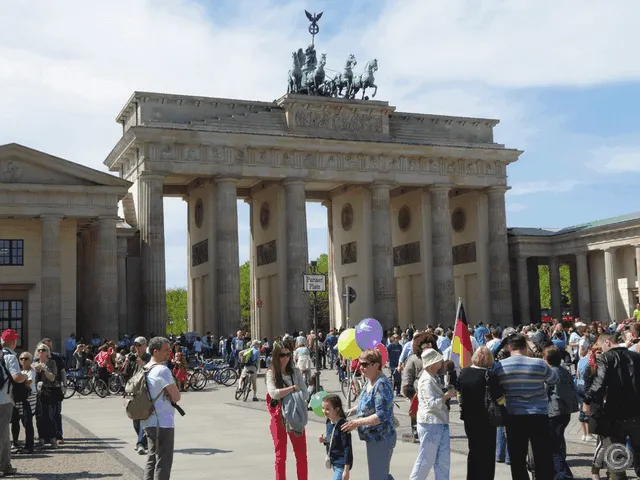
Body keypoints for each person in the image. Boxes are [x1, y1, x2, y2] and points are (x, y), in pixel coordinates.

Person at [493, 333, 558, 480]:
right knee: (542, 455)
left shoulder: (500, 366)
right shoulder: (538, 363)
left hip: (514, 414)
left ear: (509, 347)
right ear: (525, 346)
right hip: (538, 414)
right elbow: (554, 379)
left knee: (517, 458)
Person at [583, 331, 640, 480]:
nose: (601, 350)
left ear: (607, 343)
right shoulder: (636, 356)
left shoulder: (606, 358)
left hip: (615, 412)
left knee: (616, 453)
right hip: (636, 411)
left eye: (601, 346)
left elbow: (599, 384)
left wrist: (586, 400)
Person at [342, 348, 396, 480]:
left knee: (378, 476)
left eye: (365, 364)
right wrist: (347, 413)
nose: (360, 367)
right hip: (372, 438)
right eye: (360, 363)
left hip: (381, 437)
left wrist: (356, 422)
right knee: (380, 475)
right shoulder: (369, 381)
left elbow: (381, 416)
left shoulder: (381, 385)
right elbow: (363, 405)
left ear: (376, 365)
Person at [265, 339, 309, 480]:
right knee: (280, 456)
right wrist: (292, 389)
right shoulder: (271, 373)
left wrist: (291, 394)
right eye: (282, 355)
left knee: (301, 455)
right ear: (276, 356)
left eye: (288, 355)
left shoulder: (295, 372)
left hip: (295, 415)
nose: (285, 358)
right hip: (279, 418)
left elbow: (306, 393)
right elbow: (273, 393)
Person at [457, 346, 503, 480]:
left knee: (473, 450)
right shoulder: (490, 375)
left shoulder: (464, 373)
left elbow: (460, 394)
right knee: (488, 452)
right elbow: (499, 398)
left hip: (469, 418)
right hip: (486, 418)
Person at [410, 348, 455, 480]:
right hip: (430, 423)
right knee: (426, 459)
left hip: (439, 421)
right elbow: (430, 403)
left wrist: (445, 391)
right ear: (431, 364)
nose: (441, 362)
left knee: (443, 460)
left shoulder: (433, 377)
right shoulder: (426, 380)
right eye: (438, 360)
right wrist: (445, 397)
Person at [142, 337, 181, 480]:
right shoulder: (162, 370)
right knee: (163, 461)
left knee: (152, 458)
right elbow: (176, 397)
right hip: (162, 421)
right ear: (155, 351)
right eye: (166, 350)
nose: (169, 353)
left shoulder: (145, 368)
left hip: (147, 419)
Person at [544, 345, 578, 480]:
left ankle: (563, 474)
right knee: (558, 441)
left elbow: (544, 391)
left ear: (546, 358)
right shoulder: (565, 371)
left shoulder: (549, 373)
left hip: (554, 412)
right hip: (565, 412)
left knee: (553, 446)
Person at [0, 330, 26, 475]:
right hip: (4, 399)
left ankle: (6, 465)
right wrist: (25, 377)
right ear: (14, 342)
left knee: (4, 433)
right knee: (2, 434)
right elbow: (16, 377)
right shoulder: (10, 357)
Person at [122, 336, 151, 455]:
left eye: (139, 345)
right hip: (132, 391)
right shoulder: (132, 357)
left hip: (144, 391)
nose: (137, 348)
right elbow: (126, 375)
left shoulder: (149, 358)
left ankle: (141, 442)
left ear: (145, 345)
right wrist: (126, 364)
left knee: (145, 418)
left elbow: (153, 371)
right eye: (135, 345)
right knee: (134, 416)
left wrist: (143, 364)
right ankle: (143, 442)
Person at [319, 394, 352, 480]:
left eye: (327, 409)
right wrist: (325, 440)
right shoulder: (329, 422)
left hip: (341, 463)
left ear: (337, 409)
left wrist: (346, 469)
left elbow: (347, 448)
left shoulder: (344, 425)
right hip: (334, 461)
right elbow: (332, 438)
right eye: (323, 408)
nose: (324, 411)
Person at [33, 343, 58, 450]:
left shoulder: (52, 363)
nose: (41, 352)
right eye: (39, 350)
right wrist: (34, 369)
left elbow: (52, 378)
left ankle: (53, 439)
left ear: (47, 352)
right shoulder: (34, 363)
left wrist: (44, 369)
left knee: (49, 416)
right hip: (37, 393)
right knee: (39, 417)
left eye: (43, 350)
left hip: (49, 392)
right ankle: (41, 439)